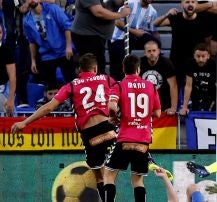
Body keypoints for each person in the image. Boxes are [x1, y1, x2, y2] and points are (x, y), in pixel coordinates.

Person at [11, 53, 117, 202]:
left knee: (99, 176)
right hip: (108, 129)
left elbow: (49, 107)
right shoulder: (106, 79)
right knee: (109, 175)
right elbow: (122, 93)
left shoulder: (72, 85)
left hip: (89, 134)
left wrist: (24, 122)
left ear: (79, 70)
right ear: (95, 68)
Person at [103, 54, 161, 202]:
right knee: (137, 181)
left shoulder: (119, 85)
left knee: (109, 176)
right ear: (139, 69)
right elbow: (158, 113)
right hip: (143, 140)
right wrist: (144, 118)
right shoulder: (151, 86)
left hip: (125, 139)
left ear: (123, 69)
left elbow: (111, 106)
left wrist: (114, 118)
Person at [153, 0, 215, 86]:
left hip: (196, 62)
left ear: (197, 4)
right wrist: (167, 14)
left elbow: (208, 41)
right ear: (182, 4)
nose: (190, 4)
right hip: (177, 61)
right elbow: (155, 24)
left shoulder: (202, 20)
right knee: (175, 88)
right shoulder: (175, 17)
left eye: (193, 2)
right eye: (187, 2)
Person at [23, 0, 76, 87]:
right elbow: (31, 41)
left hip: (63, 51)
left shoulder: (53, 9)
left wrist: (69, 46)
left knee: (71, 82)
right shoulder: (27, 20)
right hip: (46, 55)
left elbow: (67, 27)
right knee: (50, 87)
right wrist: (33, 60)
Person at [70, 0, 130, 74]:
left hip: (98, 36)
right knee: (92, 67)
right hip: (87, 36)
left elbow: (117, 2)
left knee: (99, 66)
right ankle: (91, 84)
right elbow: (98, 12)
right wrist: (121, 14)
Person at [109, 0, 159, 81]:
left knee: (151, 39)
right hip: (119, 38)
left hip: (135, 38)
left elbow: (153, 31)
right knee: (119, 68)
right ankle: (116, 87)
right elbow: (117, 22)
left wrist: (157, 44)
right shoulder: (130, 4)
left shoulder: (153, 12)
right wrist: (134, 32)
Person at [140, 40, 178, 115]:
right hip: (144, 105)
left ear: (159, 51)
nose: (152, 53)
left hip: (164, 105)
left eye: (154, 50)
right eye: (149, 51)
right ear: (145, 53)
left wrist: (173, 107)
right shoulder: (139, 63)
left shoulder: (166, 63)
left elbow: (173, 86)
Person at [179, 43, 216, 115]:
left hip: (211, 94)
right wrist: (184, 107)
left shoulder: (214, 64)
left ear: (208, 56)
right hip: (195, 94)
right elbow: (188, 86)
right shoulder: (190, 63)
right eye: (198, 56)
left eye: (203, 56)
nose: (200, 59)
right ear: (194, 56)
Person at [0, 24, 16, 116]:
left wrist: (10, 99)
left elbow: (12, 77)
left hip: (3, 90)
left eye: (0, 32)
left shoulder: (6, 50)